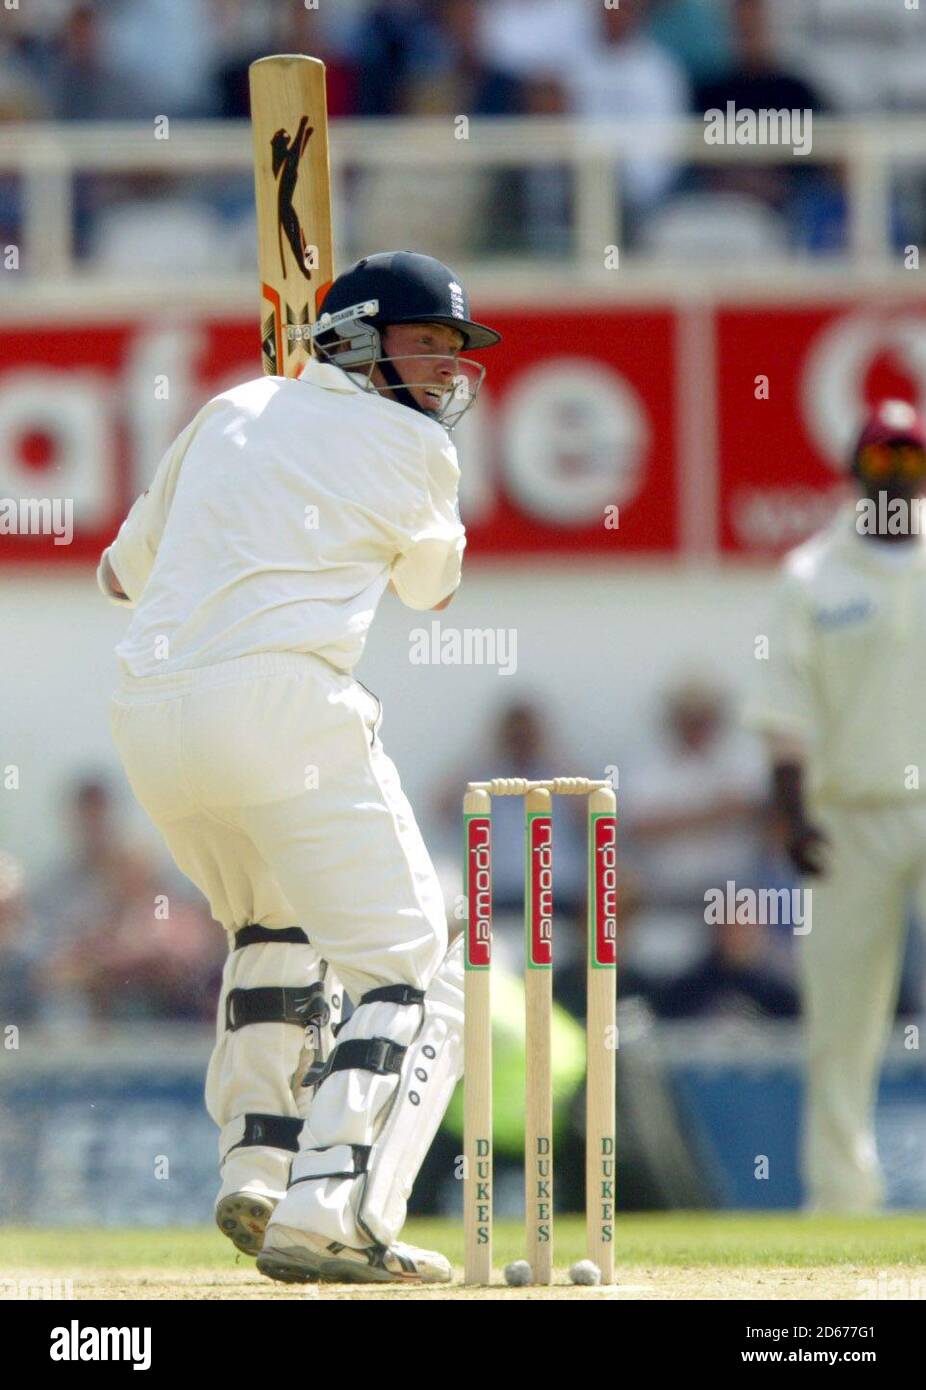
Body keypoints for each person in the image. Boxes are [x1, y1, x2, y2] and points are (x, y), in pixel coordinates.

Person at [97, 251, 500, 1284]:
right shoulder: (415, 449)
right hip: (281, 708)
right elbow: (431, 590)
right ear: (360, 339)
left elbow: (120, 572)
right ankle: (338, 1209)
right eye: (427, 344)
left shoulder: (228, 409)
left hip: (149, 713)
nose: (448, 371)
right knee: (413, 962)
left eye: (456, 351)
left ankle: (262, 1165)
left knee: (274, 926)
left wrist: (273, 434)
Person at [745, 399, 926, 1212]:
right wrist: (791, 812)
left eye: (908, 462)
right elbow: (785, 704)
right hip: (848, 815)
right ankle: (842, 1198)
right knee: (844, 1019)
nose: (894, 478)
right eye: (882, 463)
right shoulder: (812, 575)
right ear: (856, 469)